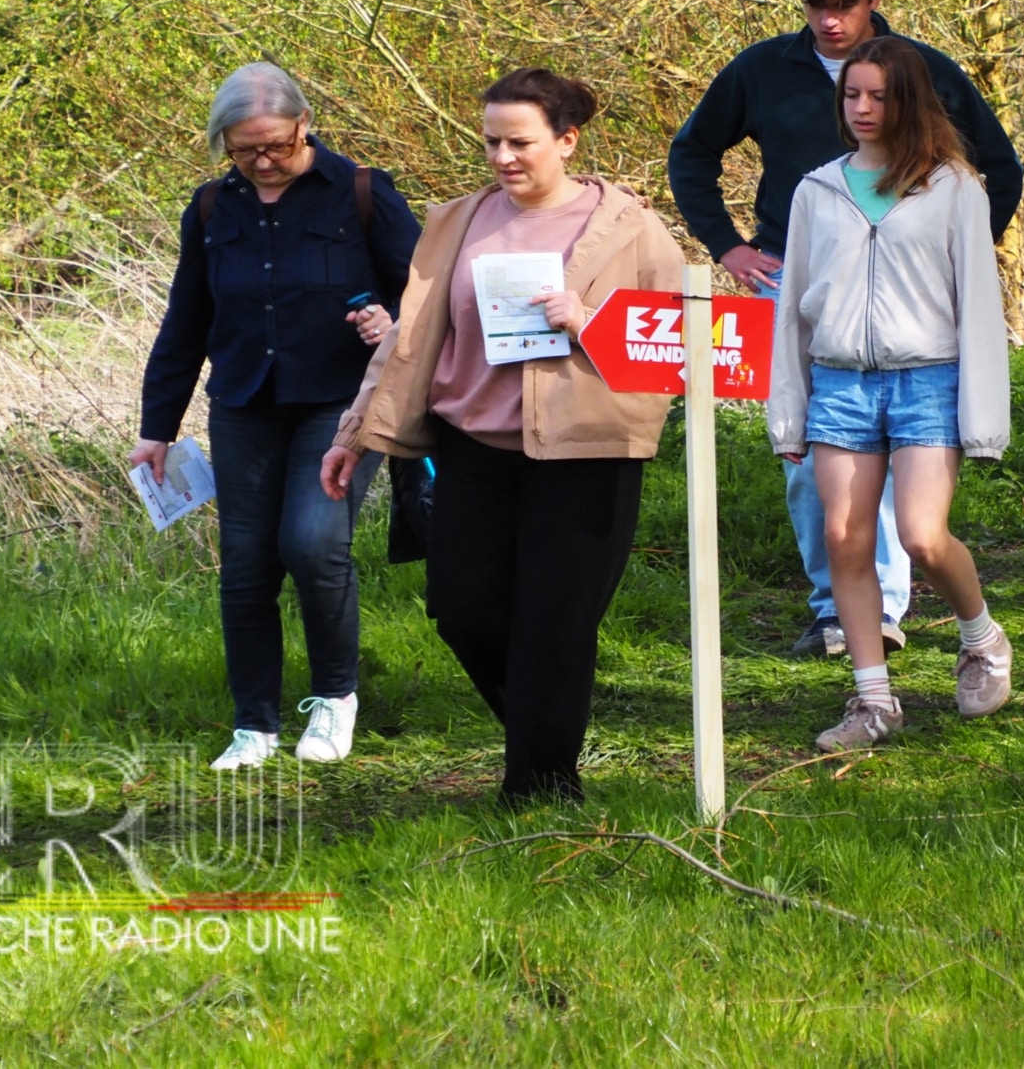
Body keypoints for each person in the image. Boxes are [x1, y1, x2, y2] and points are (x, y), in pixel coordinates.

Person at [320, 68, 684, 806]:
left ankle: (541, 787)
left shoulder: (630, 227)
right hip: (473, 448)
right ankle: (544, 735)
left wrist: (587, 319)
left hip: (586, 450)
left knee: (556, 620)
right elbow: (410, 340)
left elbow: (675, 343)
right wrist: (354, 430)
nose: (501, 157)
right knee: (463, 609)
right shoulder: (458, 221)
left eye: (519, 142)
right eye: (490, 142)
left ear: (567, 140)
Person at [668, 0, 1021, 659]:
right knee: (808, 467)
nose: (828, 21)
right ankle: (837, 609)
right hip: (795, 281)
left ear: (873, 0)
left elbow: (999, 164)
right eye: (814, 7)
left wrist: (950, 256)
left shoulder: (922, 70)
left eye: (843, 6)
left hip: (916, 314)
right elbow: (692, 153)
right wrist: (726, 246)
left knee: (905, 478)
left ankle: (887, 609)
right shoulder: (762, 69)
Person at [133, 62, 421, 770]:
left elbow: (428, 292)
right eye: (242, 150)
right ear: (221, 144)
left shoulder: (361, 193)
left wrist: (393, 321)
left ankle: (333, 700)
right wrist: (156, 427)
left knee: (314, 544)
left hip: (341, 403)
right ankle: (253, 725)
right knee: (246, 567)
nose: (262, 161)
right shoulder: (210, 208)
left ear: (304, 125)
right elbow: (187, 320)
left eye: (276, 147)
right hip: (243, 405)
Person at [769, 36, 1013, 748]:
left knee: (921, 537)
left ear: (909, 101)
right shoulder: (816, 190)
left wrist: (984, 419)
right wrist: (786, 415)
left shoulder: (954, 189)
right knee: (843, 538)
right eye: (852, 95)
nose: (863, 108)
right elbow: (791, 312)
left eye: (879, 95)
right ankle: (873, 701)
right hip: (838, 384)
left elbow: (977, 304)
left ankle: (981, 639)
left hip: (928, 380)